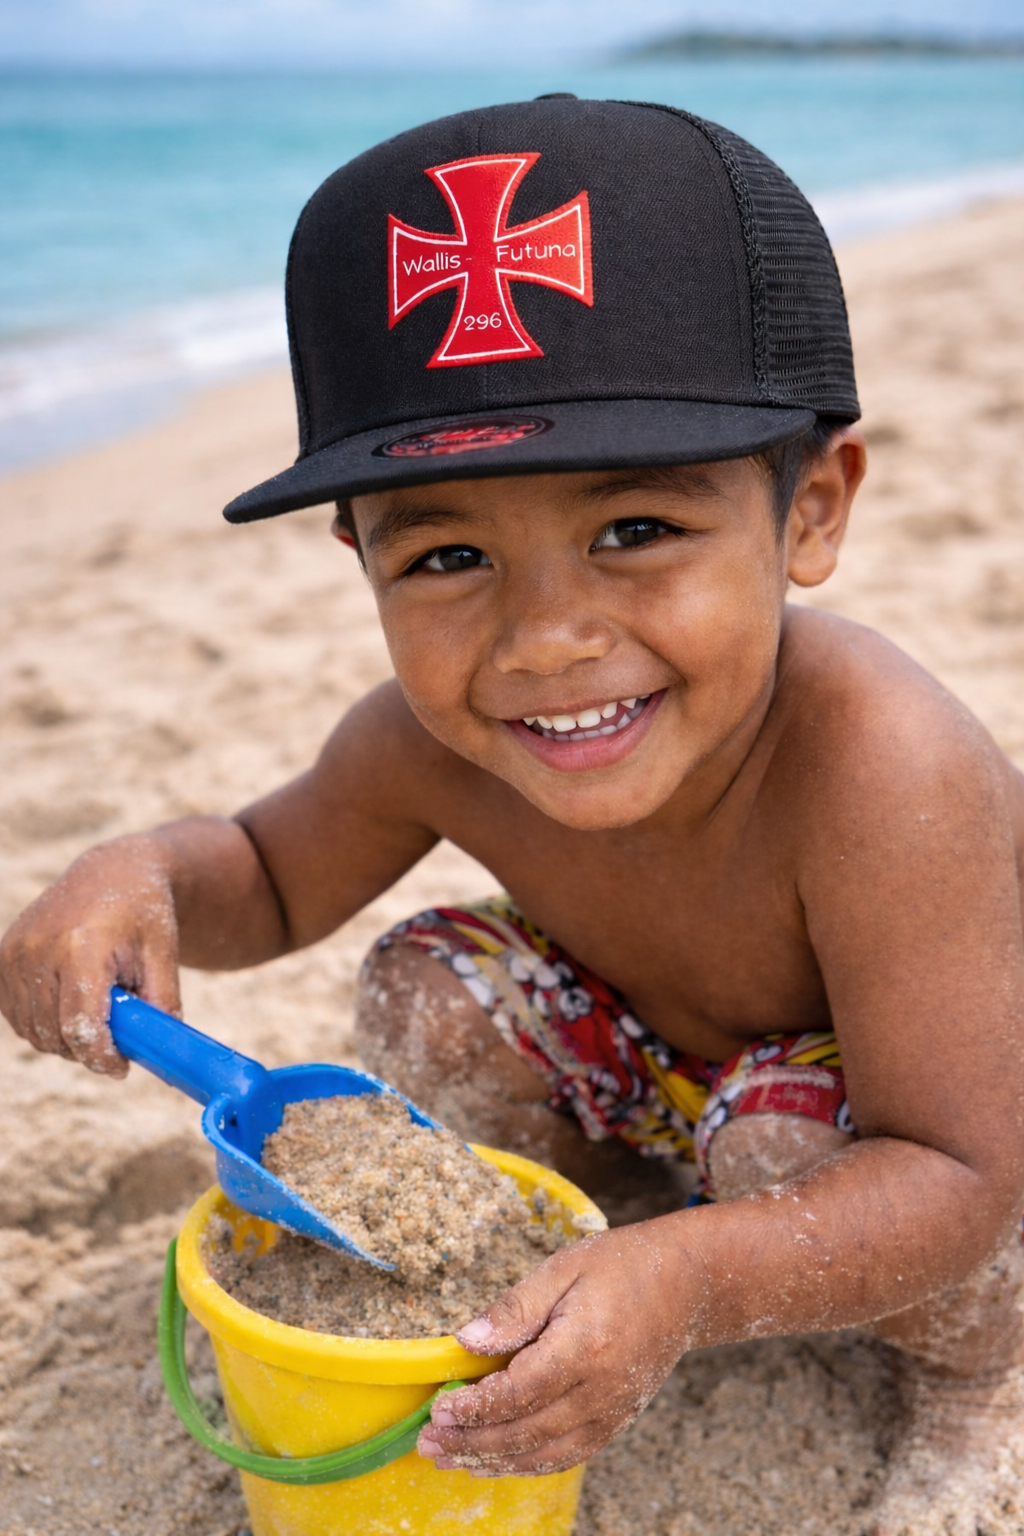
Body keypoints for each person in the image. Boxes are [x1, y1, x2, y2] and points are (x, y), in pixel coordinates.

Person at [1, 97, 1022, 1534]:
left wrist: (692, 1279)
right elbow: (269, 878)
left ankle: (985, 1375)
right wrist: (139, 874)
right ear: (356, 553)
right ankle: (570, 1243)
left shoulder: (883, 767)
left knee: (783, 1153)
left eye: (635, 532)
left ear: (811, 512)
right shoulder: (432, 740)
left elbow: (963, 1173)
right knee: (427, 991)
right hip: (668, 1066)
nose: (545, 640)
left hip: (924, 1112)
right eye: (449, 557)